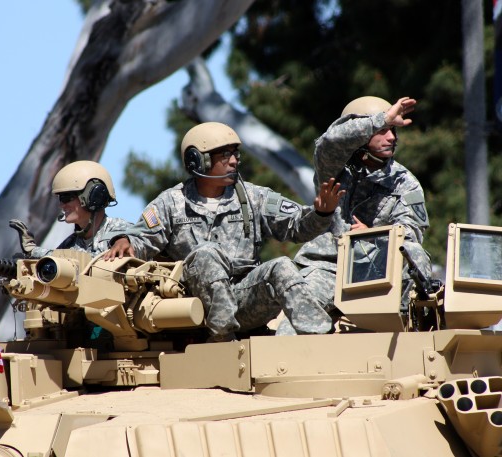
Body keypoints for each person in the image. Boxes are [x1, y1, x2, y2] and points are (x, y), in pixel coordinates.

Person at [104, 121, 345, 342]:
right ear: (198, 161)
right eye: (225, 154)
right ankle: (224, 342)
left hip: (244, 297)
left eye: (235, 153)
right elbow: (143, 237)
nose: (234, 161)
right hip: (195, 305)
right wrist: (126, 240)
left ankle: (318, 338)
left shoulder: (254, 197)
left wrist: (321, 213)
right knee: (207, 253)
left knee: (281, 265)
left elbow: (297, 227)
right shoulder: (171, 203)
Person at [280, 96, 431, 334]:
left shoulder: (405, 183)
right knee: (294, 320)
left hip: (378, 272)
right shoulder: (334, 167)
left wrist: (373, 236)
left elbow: (412, 235)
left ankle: (411, 333)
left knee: (415, 254)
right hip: (328, 266)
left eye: (392, 130)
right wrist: (381, 118)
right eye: (382, 130)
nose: (391, 137)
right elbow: (329, 141)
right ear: (360, 134)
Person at [9, 160, 132, 258]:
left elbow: (88, 264)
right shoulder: (69, 245)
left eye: (66, 198)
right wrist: (31, 255)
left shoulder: (125, 232)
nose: (62, 205)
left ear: (93, 197)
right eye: (60, 199)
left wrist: (125, 241)